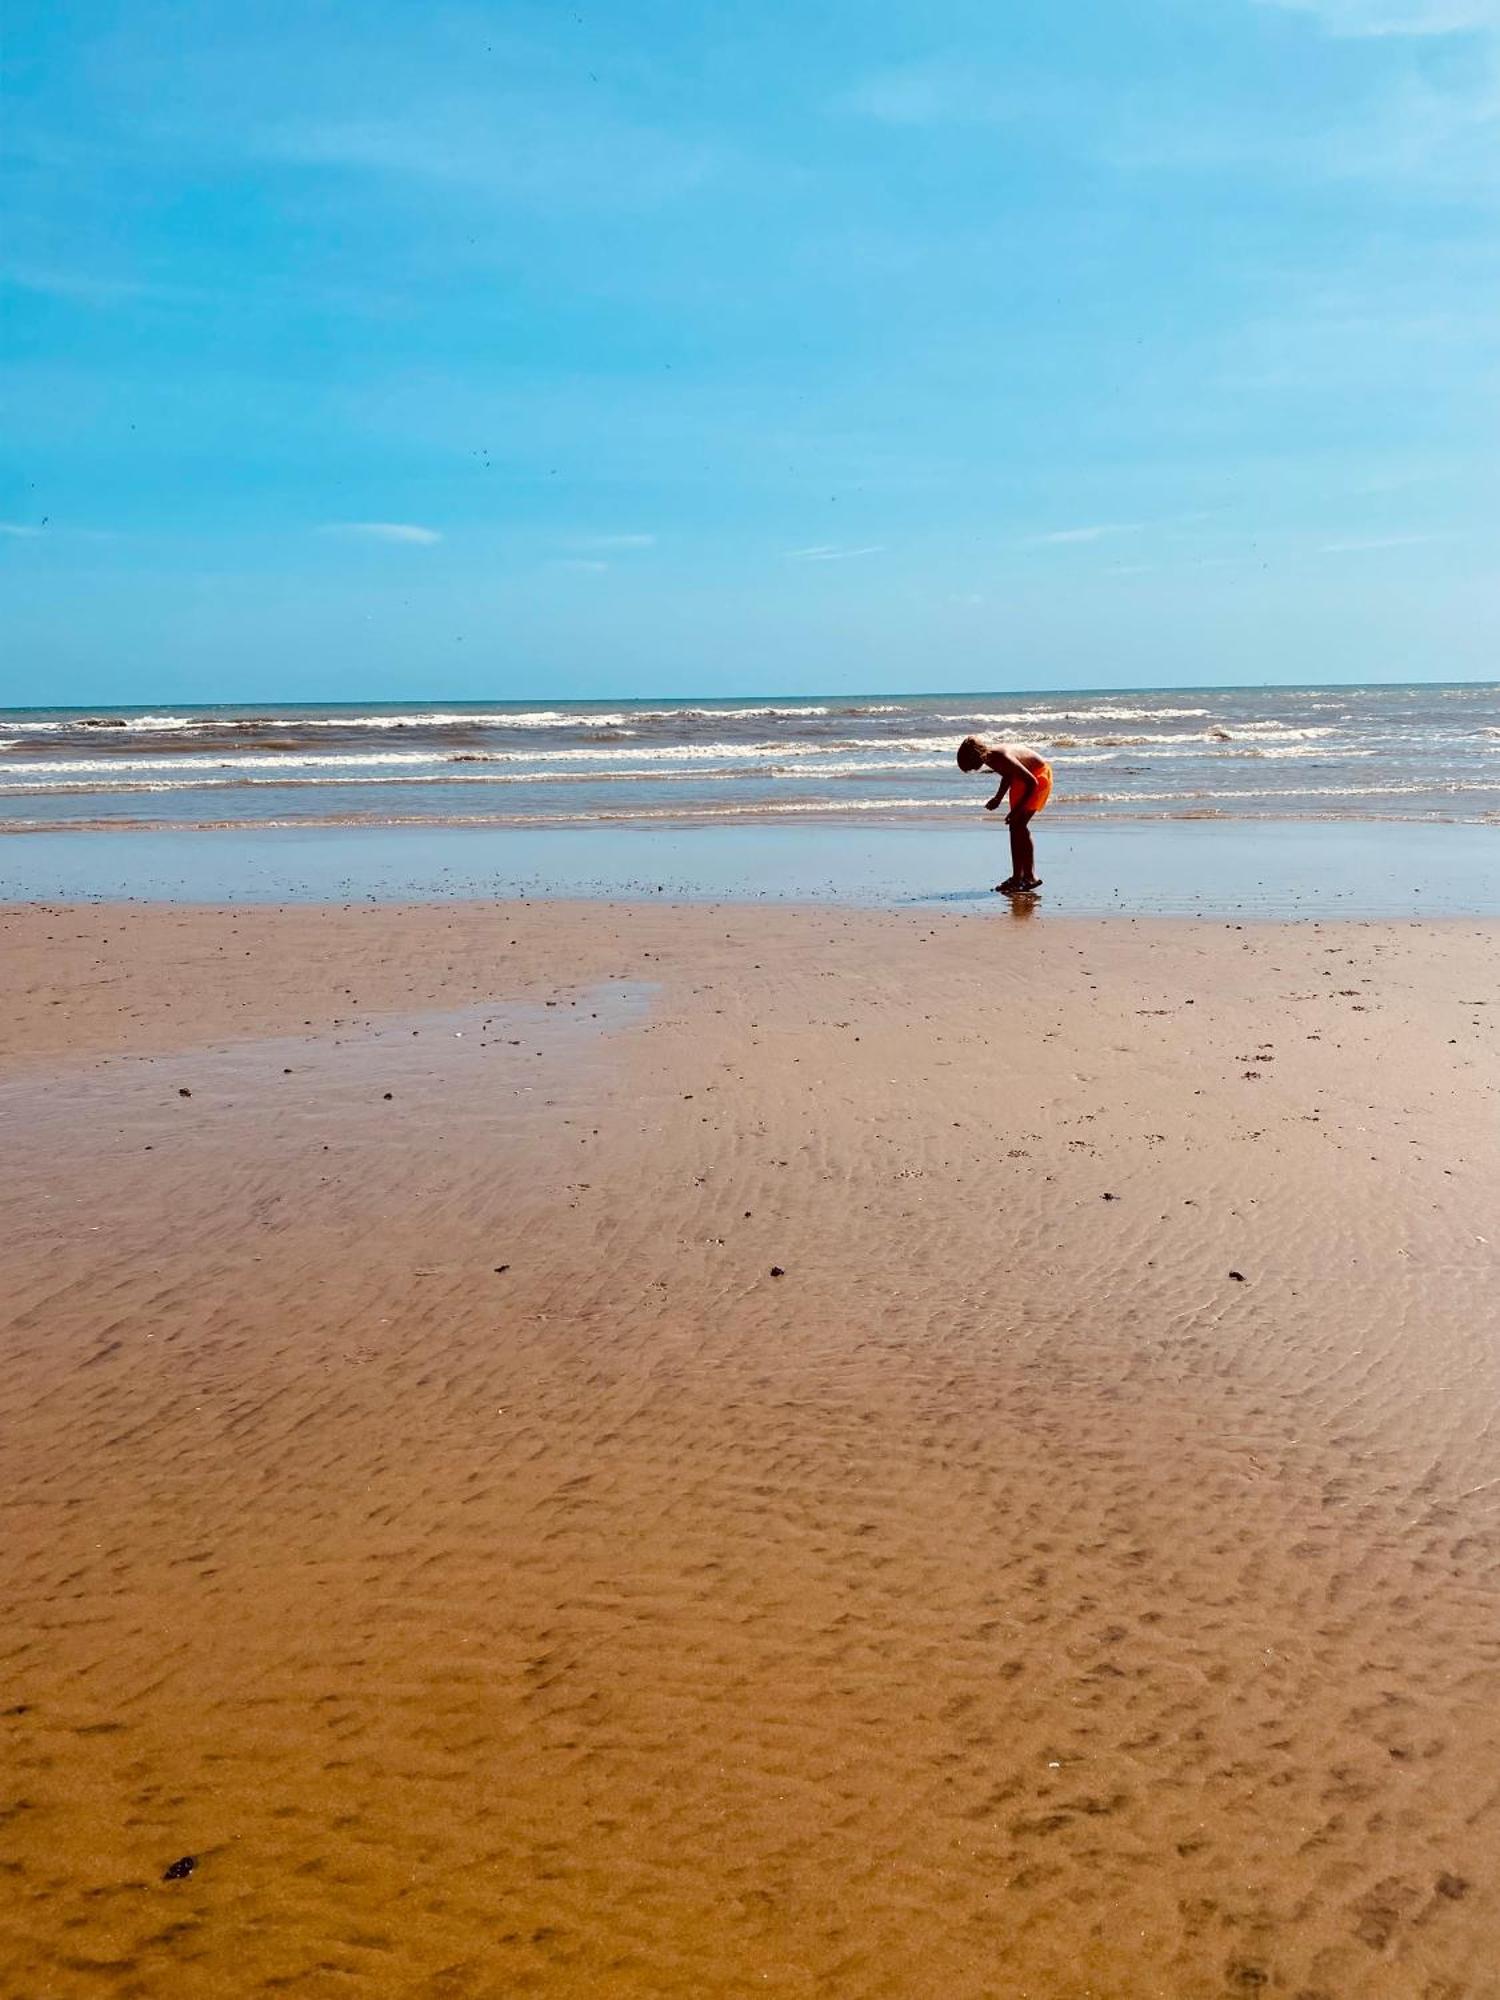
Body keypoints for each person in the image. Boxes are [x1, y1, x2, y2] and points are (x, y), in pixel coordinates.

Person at [956, 736, 1053, 894]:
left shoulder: (1001, 756)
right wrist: (997, 799)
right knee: (1015, 827)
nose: (975, 769)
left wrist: (1016, 810)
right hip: (1022, 780)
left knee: (1019, 824)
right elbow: (1008, 775)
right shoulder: (989, 757)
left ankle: (1030, 877)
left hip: (1038, 777)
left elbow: (1032, 782)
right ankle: (1017, 877)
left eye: (973, 766)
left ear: (976, 756)